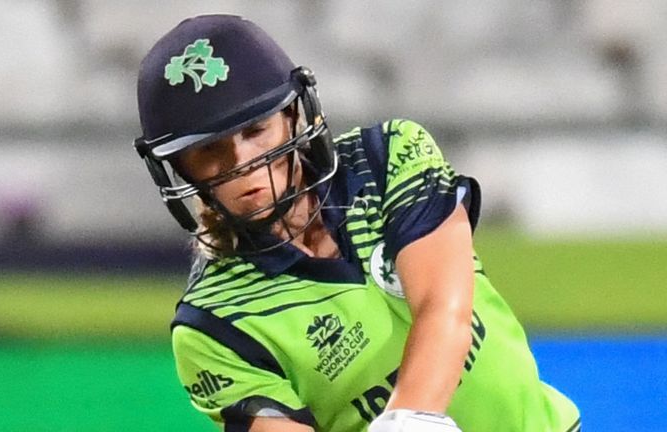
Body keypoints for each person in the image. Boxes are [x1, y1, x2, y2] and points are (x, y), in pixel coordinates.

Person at [133, 14, 580, 432]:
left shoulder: (388, 157)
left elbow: (444, 306)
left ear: (293, 117)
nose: (244, 163)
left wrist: (408, 417)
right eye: (210, 150)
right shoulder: (211, 323)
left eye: (256, 130)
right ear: (180, 169)